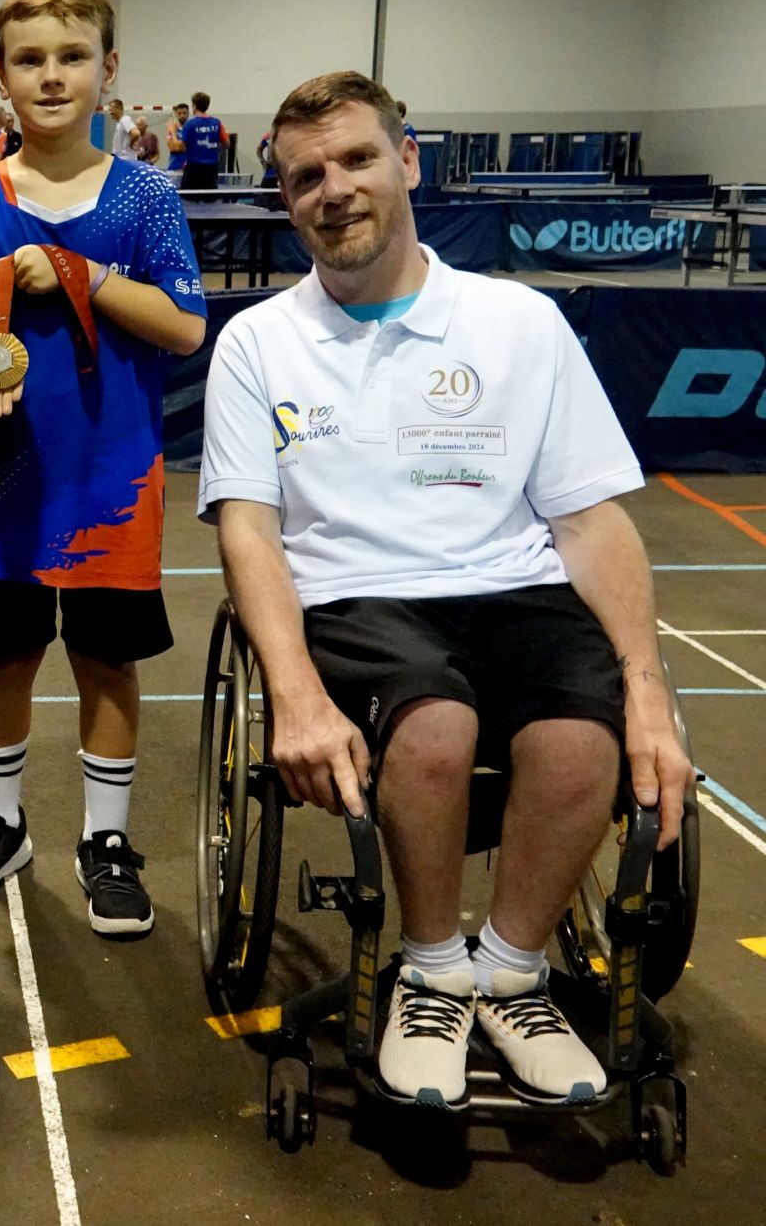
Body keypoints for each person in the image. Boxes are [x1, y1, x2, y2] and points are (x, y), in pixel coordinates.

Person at [198, 70, 694, 1107]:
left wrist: (647, 690)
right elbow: (248, 530)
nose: (333, 189)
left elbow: (590, 520)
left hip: (512, 589)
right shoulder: (256, 343)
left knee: (584, 738)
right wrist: (293, 694)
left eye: (356, 159)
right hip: (356, 598)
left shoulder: (520, 322)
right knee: (433, 726)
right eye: (304, 177)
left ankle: (509, 973)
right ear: (284, 199)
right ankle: (429, 974)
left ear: (408, 161)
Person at [0, 0, 207, 935]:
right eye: (30, 59)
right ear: (0, 74)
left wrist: (81, 274)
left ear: (108, 68)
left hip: (112, 478)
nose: (51, 76)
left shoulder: (149, 196)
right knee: (3, 655)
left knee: (106, 659)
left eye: (72, 56)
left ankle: (107, 840)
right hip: (5, 473)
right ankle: (0, 824)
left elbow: (184, 326)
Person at [179, 91, 227, 191]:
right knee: (209, 198)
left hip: (193, 169)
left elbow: (181, 147)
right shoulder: (217, 123)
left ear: (194, 106)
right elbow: (227, 143)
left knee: (189, 198)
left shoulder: (189, 124)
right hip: (211, 170)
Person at [165, 102, 190, 174]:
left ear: (188, 113)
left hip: (189, 169)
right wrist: (184, 146)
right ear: (176, 114)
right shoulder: (172, 128)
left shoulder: (191, 128)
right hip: (174, 167)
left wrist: (178, 144)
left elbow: (193, 148)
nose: (182, 115)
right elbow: (173, 148)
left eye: (184, 113)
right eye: (179, 113)